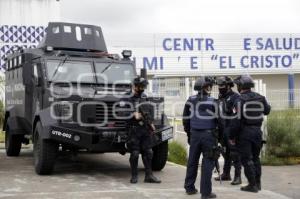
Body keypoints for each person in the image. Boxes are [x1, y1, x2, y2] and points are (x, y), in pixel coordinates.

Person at [228, 75, 271, 193]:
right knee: (256, 159)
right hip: (257, 132)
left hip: (245, 133)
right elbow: (267, 110)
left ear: (241, 86)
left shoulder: (239, 100)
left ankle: (252, 185)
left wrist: (232, 136)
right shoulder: (260, 97)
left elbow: (236, 120)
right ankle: (258, 184)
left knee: (247, 159)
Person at [183, 76, 218, 199]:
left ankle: (189, 187)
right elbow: (220, 121)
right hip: (208, 135)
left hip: (194, 135)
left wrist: (189, 134)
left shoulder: (190, 100)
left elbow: (185, 120)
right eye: (210, 86)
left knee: (192, 160)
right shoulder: (213, 101)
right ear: (207, 87)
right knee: (208, 163)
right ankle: (206, 193)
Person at [125, 76, 161, 184]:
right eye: (140, 86)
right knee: (135, 153)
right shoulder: (127, 98)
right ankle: (134, 176)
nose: (142, 88)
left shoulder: (145, 97)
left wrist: (151, 123)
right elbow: (120, 113)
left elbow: (150, 111)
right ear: (135, 86)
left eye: (143, 86)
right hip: (134, 130)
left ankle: (149, 176)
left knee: (149, 152)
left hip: (145, 129)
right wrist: (132, 114)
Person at [214, 76, 242, 185]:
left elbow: (237, 115)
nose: (220, 88)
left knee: (235, 153)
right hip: (222, 129)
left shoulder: (235, 97)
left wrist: (234, 131)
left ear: (229, 86)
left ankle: (238, 176)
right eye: (219, 86)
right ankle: (226, 174)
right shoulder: (221, 96)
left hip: (232, 129)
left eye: (222, 86)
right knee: (226, 153)